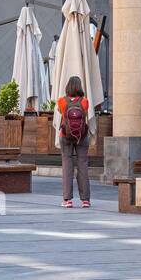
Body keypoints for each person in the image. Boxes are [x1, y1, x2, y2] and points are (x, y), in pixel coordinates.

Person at [56, 76, 92, 209]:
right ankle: (85, 200)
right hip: (81, 136)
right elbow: (85, 115)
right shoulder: (85, 101)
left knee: (67, 166)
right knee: (82, 165)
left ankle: (67, 200)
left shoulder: (61, 101)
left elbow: (61, 113)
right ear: (80, 87)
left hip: (65, 135)